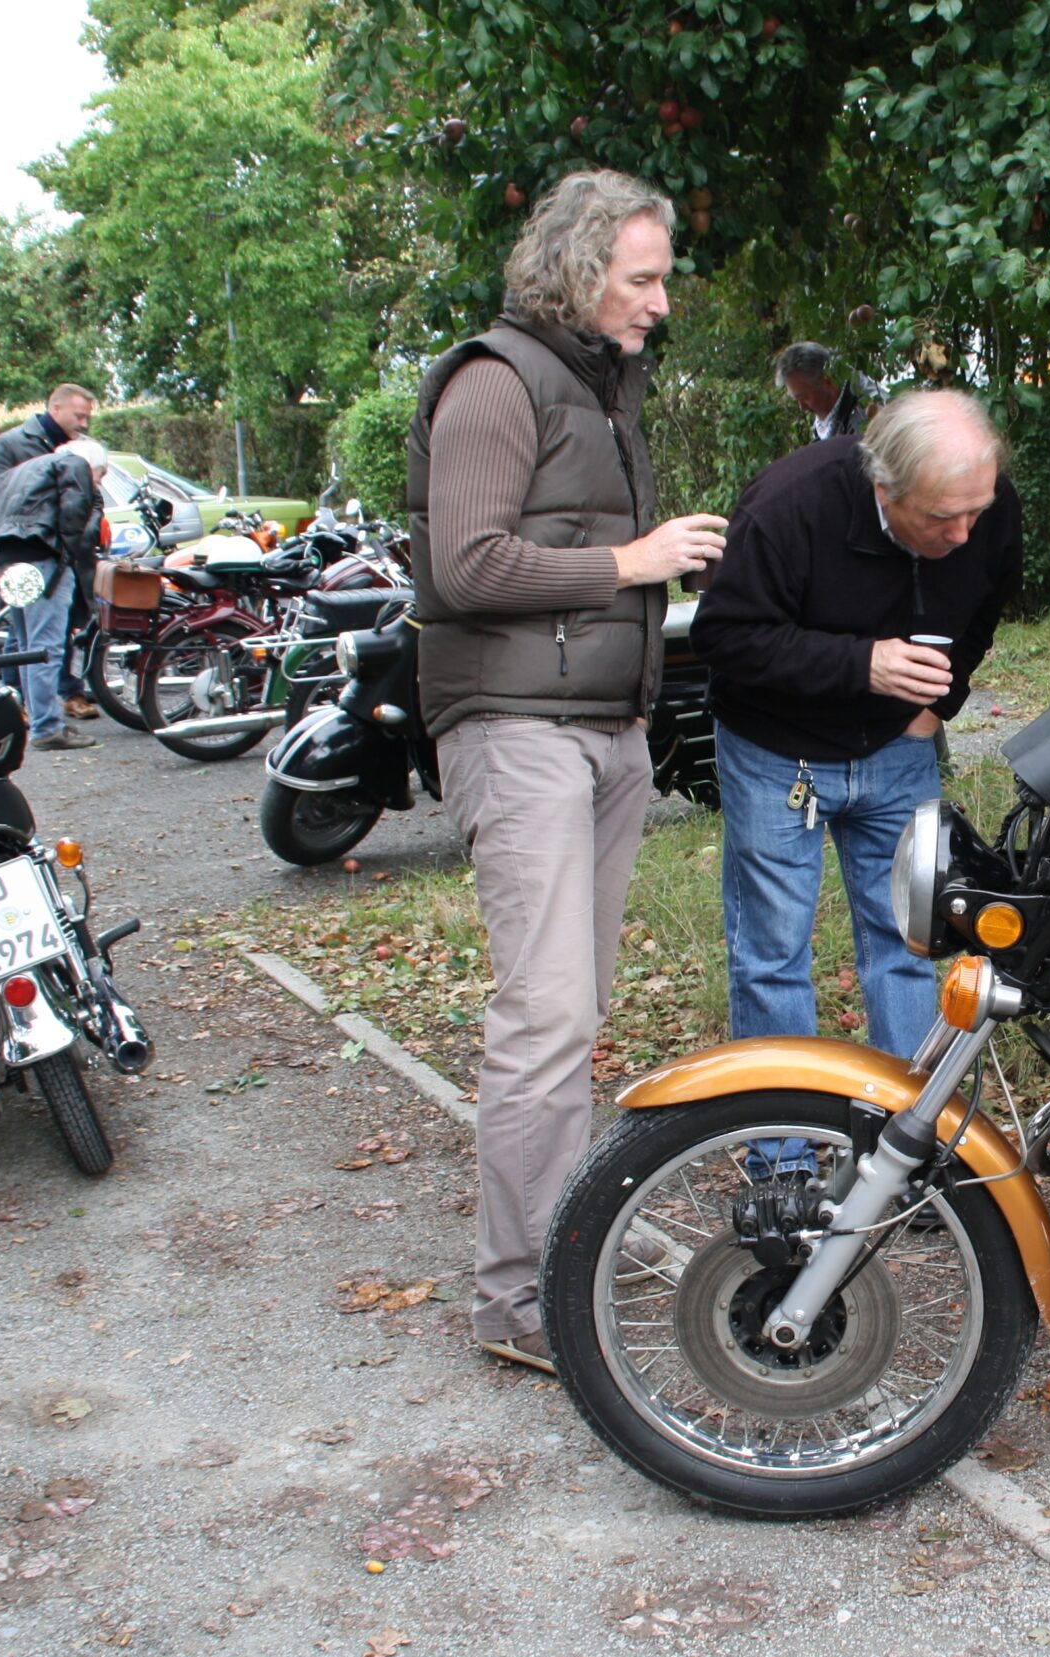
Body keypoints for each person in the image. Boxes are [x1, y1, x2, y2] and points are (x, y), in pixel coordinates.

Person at [405, 169, 728, 1375]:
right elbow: (467, 566)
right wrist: (633, 562)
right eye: (642, 279)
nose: (659, 302)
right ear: (579, 270)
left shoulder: (602, 387)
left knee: (574, 1012)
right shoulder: (495, 381)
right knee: (543, 1018)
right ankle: (519, 1302)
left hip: (604, 730)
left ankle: (561, 1246)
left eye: (661, 279)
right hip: (515, 728)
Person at [693, 390, 1020, 1075]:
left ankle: (914, 1126)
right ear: (884, 488)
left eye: (976, 512)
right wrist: (862, 664)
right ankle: (783, 1132)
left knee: (908, 941)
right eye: (941, 518)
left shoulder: (983, 505)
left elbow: (986, 604)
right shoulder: (789, 505)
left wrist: (940, 701)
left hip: (899, 747)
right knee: (772, 953)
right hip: (777, 750)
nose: (964, 534)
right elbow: (724, 636)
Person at [0, 436, 107, 753]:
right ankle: (48, 728)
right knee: (47, 647)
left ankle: (41, 718)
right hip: (43, 560)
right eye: (101, 474)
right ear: (93, 465)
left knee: (28, 646)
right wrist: (75, 559)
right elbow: (74, 520)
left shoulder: (25, 469)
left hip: (8, 560)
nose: (98, 482)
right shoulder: (75, 464)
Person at [0, 384, 101, 721]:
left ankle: (53, 701)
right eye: (79, 416)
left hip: (47, 553)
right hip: (33, 553)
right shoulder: (13, 443)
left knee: (41, 634)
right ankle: (26, 710)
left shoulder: (73, 446)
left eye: (87, 417)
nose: (84, 424)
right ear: (56, 409)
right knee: (32, 639)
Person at [773, 341, 879, 441]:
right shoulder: (828, 423)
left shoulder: (869, 415)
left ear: (828, 381)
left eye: (803, 398)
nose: (802, 407)